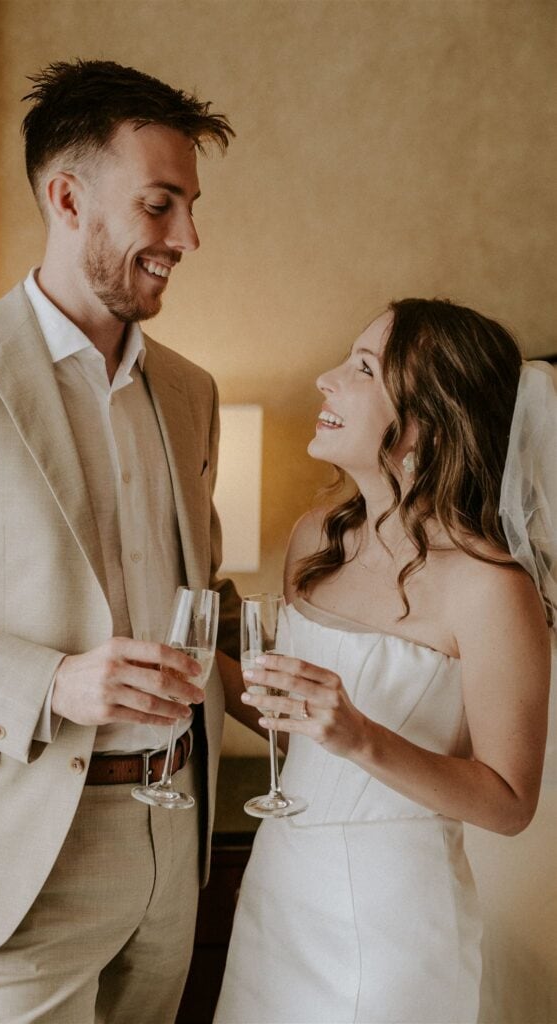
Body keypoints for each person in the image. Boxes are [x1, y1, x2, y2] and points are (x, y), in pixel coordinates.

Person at [0, 59, 240, 1023]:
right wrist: (52, 684)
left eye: (191, 208)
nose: (188, 238)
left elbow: (203, 590)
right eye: (160, 205)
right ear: (67, 197)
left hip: (172, 842)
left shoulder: (197, 394)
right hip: (17, 854)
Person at [214, 299, 554, 1024]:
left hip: (391, 910)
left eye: (361, 368)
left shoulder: (491, 589)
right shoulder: (313, 539)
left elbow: (507, 802)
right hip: (278, 882)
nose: (323, 380)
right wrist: (208, 675)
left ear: (426, 423)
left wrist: (360, 736)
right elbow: (290, 730)